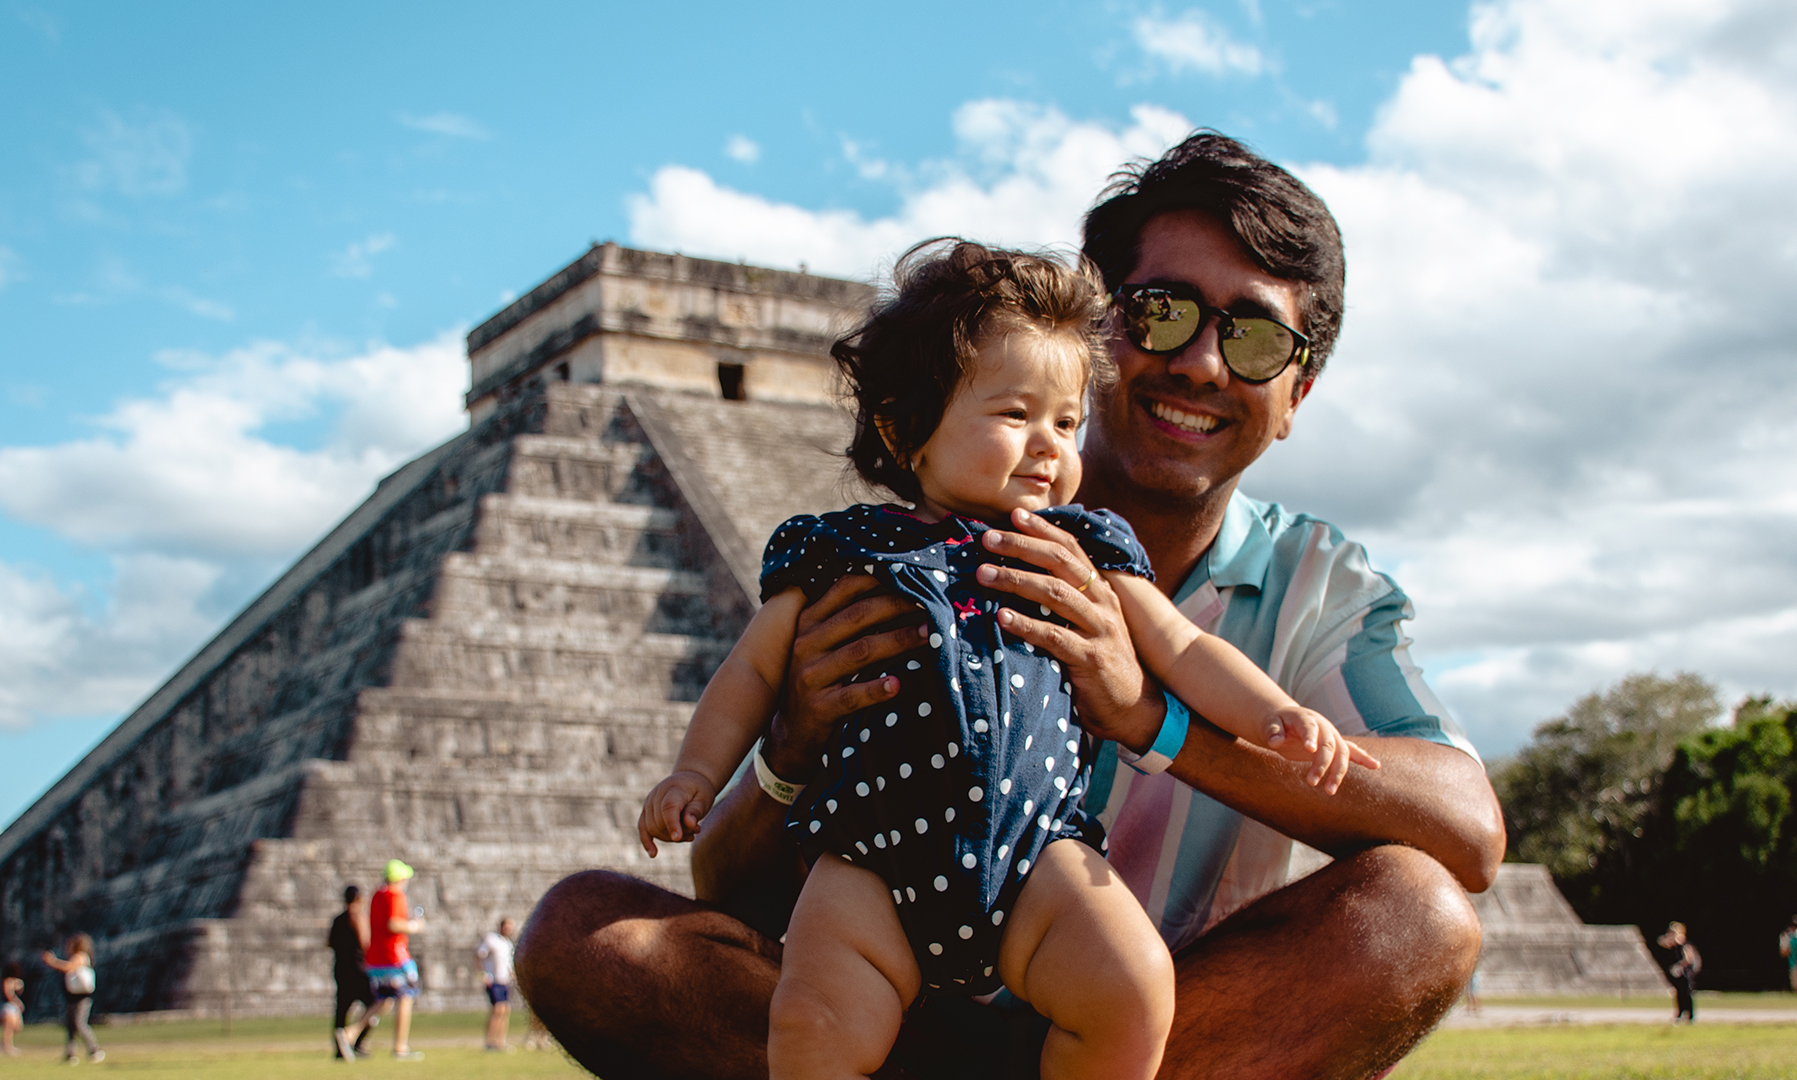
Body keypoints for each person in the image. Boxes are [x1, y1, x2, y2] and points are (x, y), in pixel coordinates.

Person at [516, 132, 1504, 1080]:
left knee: (1415, 914)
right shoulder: (891, 558)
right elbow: (725, 891)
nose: (1201, 363)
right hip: (887, 990)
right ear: (1095, 333)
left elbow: (1466, 834)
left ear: (1298, 392)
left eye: (1252, 339)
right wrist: (795, 744)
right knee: (585, 935)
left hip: (1142, 1015)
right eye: (1161, 311)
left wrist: (1152, 720)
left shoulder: (1314, 583)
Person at [637, 241, 1377, 1080]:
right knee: (811, 1027)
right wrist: (697, 772)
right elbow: (750, 672)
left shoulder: (1080, 551)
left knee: (1133, 989)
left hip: (1038, 857)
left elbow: (1183, 648)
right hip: (872, 860)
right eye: (1014, 415)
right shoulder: (842, 552)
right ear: (904, 427)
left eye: (1066, 422)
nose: (1048, 446)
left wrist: (1272, 714)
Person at [359, 860, 425, 1059]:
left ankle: (351, 1032)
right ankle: (400, 1046)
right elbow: (393, 924)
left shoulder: (377, 894)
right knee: (407, 995)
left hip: (376, 958)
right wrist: (414, 926)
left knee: (384, 1000)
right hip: (395, 956)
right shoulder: (394, 894)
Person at [329, 885, 377, 1059]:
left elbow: (329, 942)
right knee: (375, 1004)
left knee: (342, 1010)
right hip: (357, 970)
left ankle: (340, 1047)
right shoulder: (357, 916)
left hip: (340, 970)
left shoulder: (337, 919)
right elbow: (365, 942)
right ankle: (356, 1041)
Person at [40, 935, 102, 1063]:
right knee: (71, 1026)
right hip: (72, 996)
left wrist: (52, 961)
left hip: (82, 997)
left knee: (79, 1023)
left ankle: (95, 1050)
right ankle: (71, 1054)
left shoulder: (81, 956)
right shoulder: (76, 957)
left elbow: (69, 967)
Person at [476, 918, 517, 1051]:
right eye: (507, 926)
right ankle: (489, 1041)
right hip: (493, 980)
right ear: (501, 926)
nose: (509, 929)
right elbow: (478, 956)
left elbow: (508, 964)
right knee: (497, 1009)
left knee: (505, 1010)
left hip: (505, 981)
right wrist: (482, 974)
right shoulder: (491, 940)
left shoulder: (508, 943)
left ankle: (500, 1041)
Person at [1653, 922, 1701, 1024]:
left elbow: (1689, 958)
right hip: (1680, 973)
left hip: (1687, 972)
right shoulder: (1675, 945)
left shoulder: (1685, 945)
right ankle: (1680, 1013)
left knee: (1687, 994)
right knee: (1679, 993)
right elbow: (1661, 942)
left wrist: (1679, 966)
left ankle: (1690, 1016)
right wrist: (1669, 938)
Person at [2, 961, 24, 1057]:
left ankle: (5, 1043)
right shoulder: (7, 981)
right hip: (8, 1006)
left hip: (14, 1007)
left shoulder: (16, 981)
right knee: (9, 1027)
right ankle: (7, 1046)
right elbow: (8, 994)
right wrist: (18, 1002)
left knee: (18, 1027)